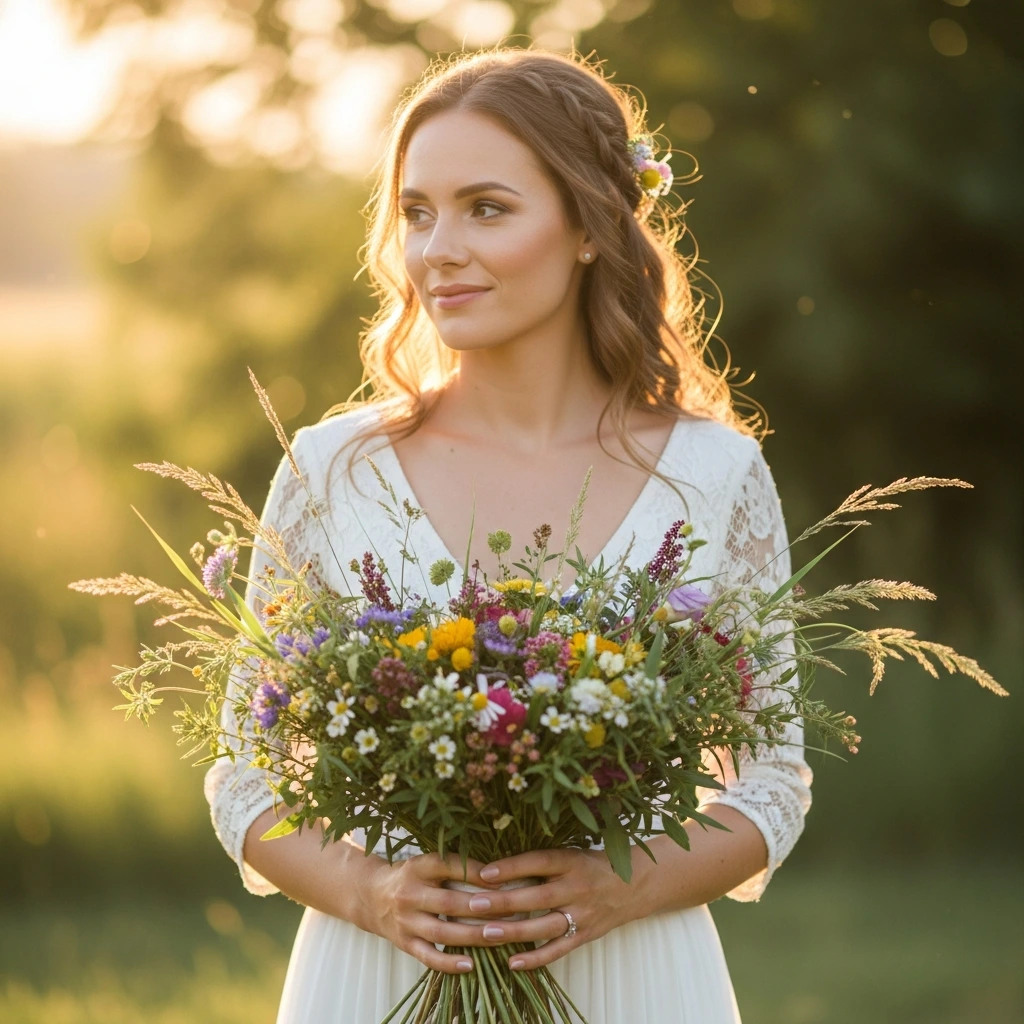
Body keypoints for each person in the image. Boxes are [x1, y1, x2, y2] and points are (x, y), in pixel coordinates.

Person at [203, 47, 813, 1024]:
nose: (437, 249)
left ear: (589, 225)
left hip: (631, 974)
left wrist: (626, 886)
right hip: (381, 971)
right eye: (417, 213)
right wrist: (372, 892)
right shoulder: (333, 470)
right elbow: (243, 774)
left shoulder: (713, 474)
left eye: (486, 208)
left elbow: (772, 783)